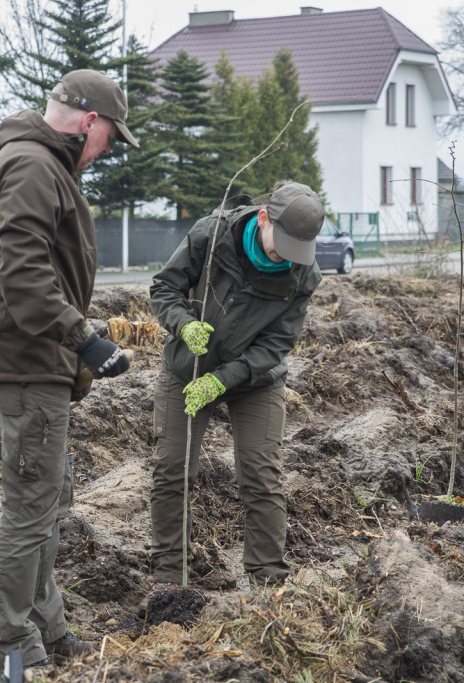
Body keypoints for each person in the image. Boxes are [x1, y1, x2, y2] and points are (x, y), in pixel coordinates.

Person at [0, 69, 138, 680]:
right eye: (111, 137)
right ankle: (13, 651)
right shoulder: (35, 166)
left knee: (51, 500)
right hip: (29, 363)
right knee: (29, 508)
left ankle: (47, 627)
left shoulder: (42, 164)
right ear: (90, 120)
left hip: (38, 364)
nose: (108, 149)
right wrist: (85, 340)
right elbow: (24, 276)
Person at [147, 181, 324, 595]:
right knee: (173, 470)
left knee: (262, 474)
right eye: (280, 245)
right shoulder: (211, 236)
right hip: (187, 368)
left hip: (255, 379)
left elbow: (277, 344)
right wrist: (183, 324)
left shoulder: (303, 273)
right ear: (264, 218)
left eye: (296, 250)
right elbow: (164, 288)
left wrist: (223, 379)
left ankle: (269, 586)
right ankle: (170, 579)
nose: (284, 257)